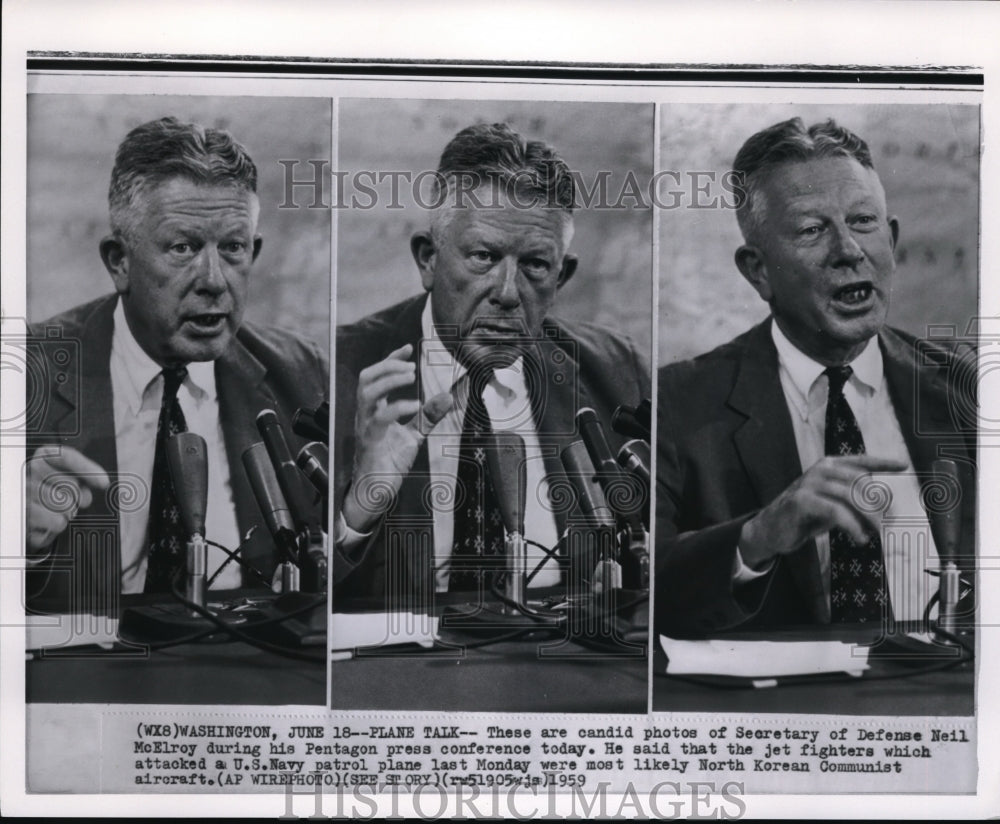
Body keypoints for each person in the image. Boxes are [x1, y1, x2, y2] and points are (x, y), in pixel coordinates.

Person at [655, 117, 976, 637]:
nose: (848, 250)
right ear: (757, 270)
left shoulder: (965, 392)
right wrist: (756, 537)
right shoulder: (680, 403)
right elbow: (639, 595)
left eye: (864, 222)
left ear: (891, 241)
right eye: (812, 230)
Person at [334, 122, 650, 610]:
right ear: (428, 260)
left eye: (535, 266)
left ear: (562, 275)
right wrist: (360, 509)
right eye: (483, 256)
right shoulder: (340, 371)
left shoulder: (615, 372)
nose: (507, 292)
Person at [25, 116, 329, 614]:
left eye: (232, 248)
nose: (213, 280)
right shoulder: (26, 376)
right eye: (183, 247)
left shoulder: (302, 375)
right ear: (119, 262)